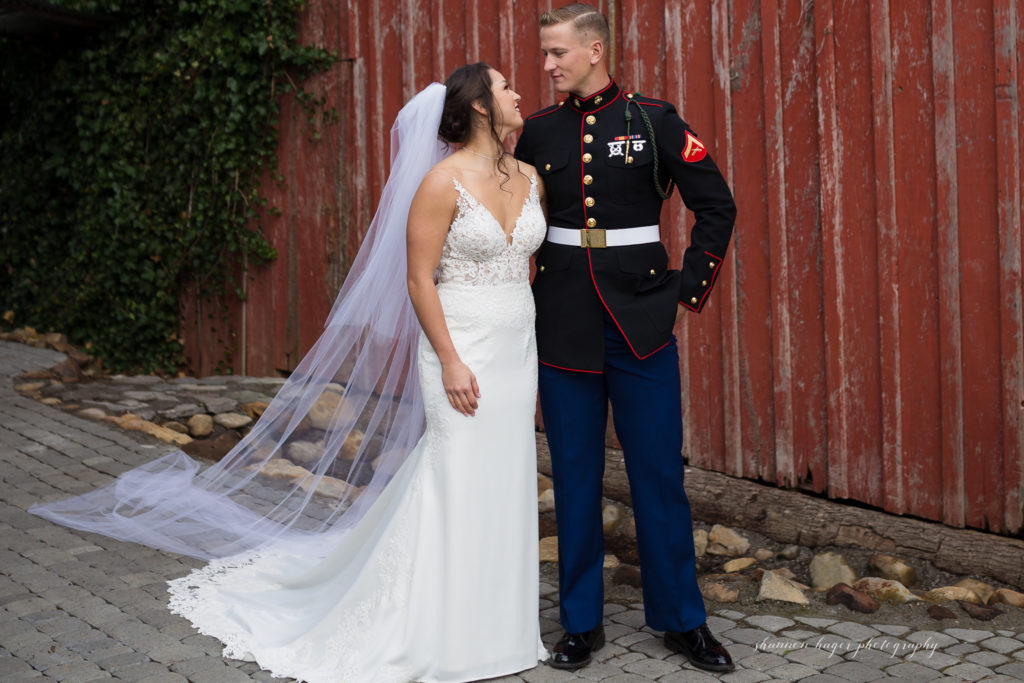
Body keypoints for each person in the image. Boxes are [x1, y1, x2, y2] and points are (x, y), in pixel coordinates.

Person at [32, 64, 549, 683]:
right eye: (505, 86)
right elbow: (418, 280)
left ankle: (501, 625)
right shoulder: (441, 183)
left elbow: (525, 262)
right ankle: (441, 627)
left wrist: (513, 318)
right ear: (482, 107)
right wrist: (454, 360)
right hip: (459, 347)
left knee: (503, 476)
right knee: (456, 476)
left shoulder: (529, 177)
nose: (519, 93)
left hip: (517, 348)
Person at [514, 3, 737, 673]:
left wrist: (683, 294)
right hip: (562, 326)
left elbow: (716, 205)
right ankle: (580, 623)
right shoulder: (537, 133)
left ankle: (681, 621)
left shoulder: (652, 121)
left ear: (593, 50)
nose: (547, 65)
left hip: (641, 324)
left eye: (557, 53)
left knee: (658, 476)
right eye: (545, 53)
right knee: (576, 480)